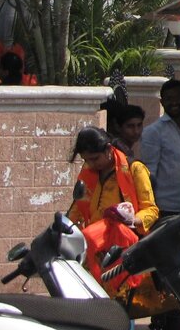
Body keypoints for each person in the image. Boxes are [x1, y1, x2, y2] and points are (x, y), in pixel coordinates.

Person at [67, 126, 159, 295]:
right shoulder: (89, 173)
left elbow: (151, 210)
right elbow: (77, 209)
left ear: (109, 150)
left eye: (95, 159)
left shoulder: (134, 169)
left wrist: (130, 219)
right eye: (87, 160)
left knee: (122, 308)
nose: (91, 164)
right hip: (95, 250)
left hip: (123, 251)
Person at [140, 79, 180, 215]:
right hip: (165, 208)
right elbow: (148, 174)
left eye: (178, 98)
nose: (174, 102)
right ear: (162, 102)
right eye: (169, 99)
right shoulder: (153, 132)